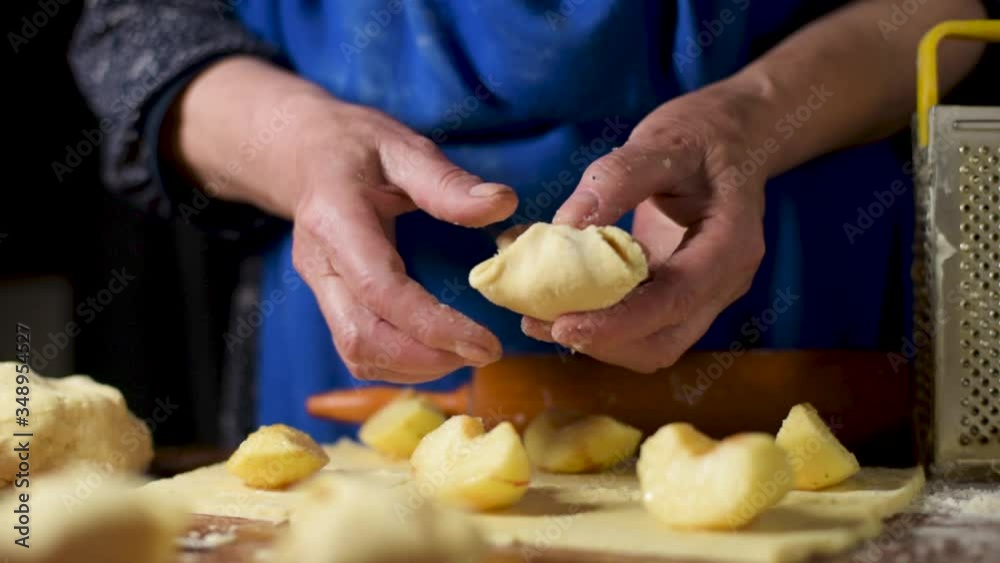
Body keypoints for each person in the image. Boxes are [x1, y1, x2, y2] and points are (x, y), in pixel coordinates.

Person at [70, 0, 991, 441]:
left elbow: (944, 9)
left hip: (783, 296)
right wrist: (303, 144)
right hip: (353, 334)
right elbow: (142, 35)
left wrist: (753, 116)